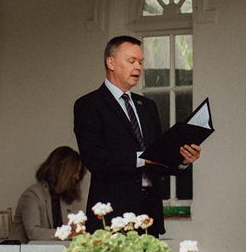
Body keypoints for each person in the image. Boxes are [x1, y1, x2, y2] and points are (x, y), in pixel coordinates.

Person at [73, 35, 201, 237]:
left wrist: (183, 160)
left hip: (149, 214)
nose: (138, 67)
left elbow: (158, 157)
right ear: (111, 62)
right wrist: (141, 159)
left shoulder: (147, 106)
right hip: (112, 217)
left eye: (141, 62)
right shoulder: (89, 105)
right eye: (131, 61)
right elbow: (94, 158)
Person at [9, 146, 88, 242]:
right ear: (62, 172)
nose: (77, 177)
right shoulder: (32, 195)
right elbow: (33, 233)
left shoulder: (67, 197)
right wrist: (68, 234)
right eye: (75, 172)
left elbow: (76, 228)